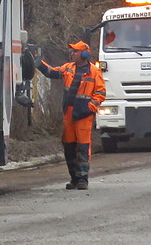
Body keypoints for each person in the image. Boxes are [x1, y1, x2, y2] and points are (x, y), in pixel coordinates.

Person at [37, 40, 107, 190]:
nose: (72, 53)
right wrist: (38, 63)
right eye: (72, 51)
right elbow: (51, 72)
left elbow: (100, 93)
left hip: (84, 115)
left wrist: (90, 107)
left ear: (84, 54)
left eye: (75, 51)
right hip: (69, 114)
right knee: (69, 146)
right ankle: (74, 178)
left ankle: (83, 179)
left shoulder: (94, 72)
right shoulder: (68, 68)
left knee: (82, 147)